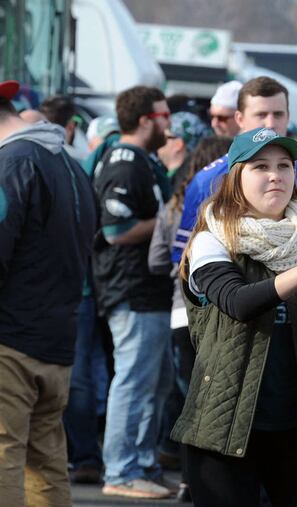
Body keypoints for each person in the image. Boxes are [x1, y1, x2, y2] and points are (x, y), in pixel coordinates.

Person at [172, 128, 297, 506]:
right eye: (260, 166)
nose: (275, 175)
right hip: (224, 430)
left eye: (284, 166)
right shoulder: (212, 235)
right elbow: (238, 302)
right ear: (237, 177)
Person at [0, 80, 97, 505]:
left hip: (11, 343)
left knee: (5, 457)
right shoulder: (69, 164)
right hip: (56, 342)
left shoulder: (12, 162)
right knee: (47, 466)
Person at [92, 85, 175, 499]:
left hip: (150, 291)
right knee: (133, 381)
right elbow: (115, 231)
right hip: (131, 290)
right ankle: (120, 471)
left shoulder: (144, 160)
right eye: (164, 115)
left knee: (154, 382)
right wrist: (167, 224)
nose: (170, 123)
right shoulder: (125, 162)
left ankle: (142, 463)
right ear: (146, 120)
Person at [148, 134, 232, 502]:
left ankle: (188, 481)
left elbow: (158, 259)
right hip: (217, 317)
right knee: (220, 404)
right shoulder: (225, 210)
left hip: (181, 314)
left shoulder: (175, 205)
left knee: (191, 402)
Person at [173, 76, 297, 264]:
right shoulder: (207, 180)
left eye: (278, 114)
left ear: (288, 117)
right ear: (239, 118)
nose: (270, 123)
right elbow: (186, 259)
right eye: (261, 114)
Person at [157, 111, 211, 191]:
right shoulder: (199, 178)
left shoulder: (179, 185)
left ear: (178, 145)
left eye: (163, 137)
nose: (158, 141)